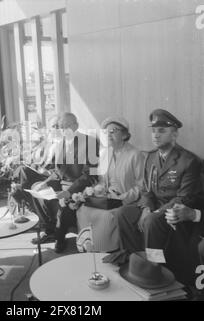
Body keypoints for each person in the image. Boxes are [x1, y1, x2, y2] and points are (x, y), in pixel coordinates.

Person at [115, 109, 203, 284]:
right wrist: (146, 208)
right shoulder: (150, 157)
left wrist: (155, 212)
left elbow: (184, 198)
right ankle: (136, 261)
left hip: (174, 211)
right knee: (123, 213)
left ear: (175, 134)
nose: (155, 135)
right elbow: (147, 190)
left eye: (162, 131)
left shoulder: (189, 160)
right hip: (154, 207)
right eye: (154, 131)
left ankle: (153, 272)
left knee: (152, 221)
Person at [76, 116, 144, 252]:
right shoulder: (104, 153)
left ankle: (107, 251)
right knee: (83, 209)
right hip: (107, 199)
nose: (109, 134)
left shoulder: (135, 154)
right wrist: (94, 191)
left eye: (113, 130)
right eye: (106, 132)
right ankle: (89, 249)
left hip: (126, 200)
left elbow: (141, 186)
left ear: (124, 134)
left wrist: (123, 197)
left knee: (106, 216)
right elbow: (101, 180)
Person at [35, 112, 99, 252]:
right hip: (62, 183)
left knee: (64, 205)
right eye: (61, 127)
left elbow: (90, 176)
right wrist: (46, 182)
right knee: (37, 189)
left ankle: (59, 237)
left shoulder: (90, 143)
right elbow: (59, 171)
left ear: (76, 125)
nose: (63, 130)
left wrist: (69, 192)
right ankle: (49, 229)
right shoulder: (60, 144)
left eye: (66, 126)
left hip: (79, 186)